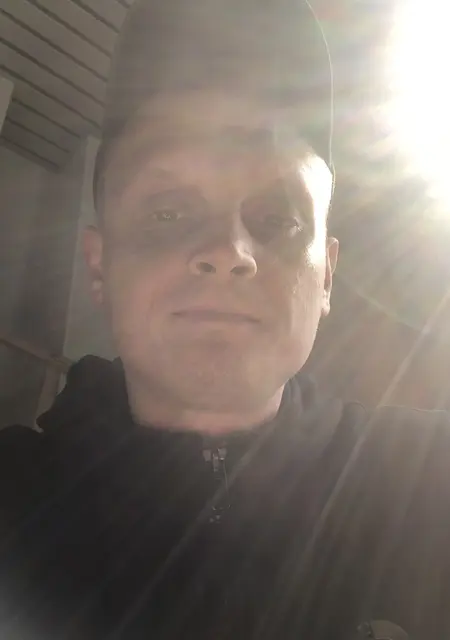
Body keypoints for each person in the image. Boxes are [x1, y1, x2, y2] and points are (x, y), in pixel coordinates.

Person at [0, 1, 448, 639]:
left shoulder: (429, 481)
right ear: (100, 265)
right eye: (167, 212)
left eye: (279, 219)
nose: (228, 251)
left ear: (325, 276)